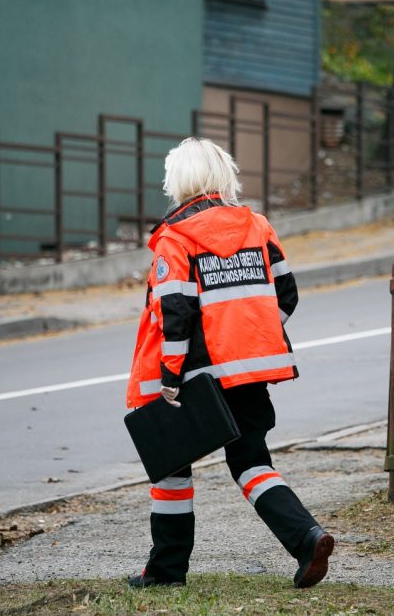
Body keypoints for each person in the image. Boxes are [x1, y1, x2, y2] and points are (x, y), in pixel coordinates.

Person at [125, 137, 334, 589]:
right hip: (248, 374)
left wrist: (170, 378)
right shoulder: (257, 225)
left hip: (194, 379)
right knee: (251, 461)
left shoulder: (173, 237)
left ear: (178, 181)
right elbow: (286, 296)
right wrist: (247, 339)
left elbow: (176, 314)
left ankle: (165, 572)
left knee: (172, 470)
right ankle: (306, 537)